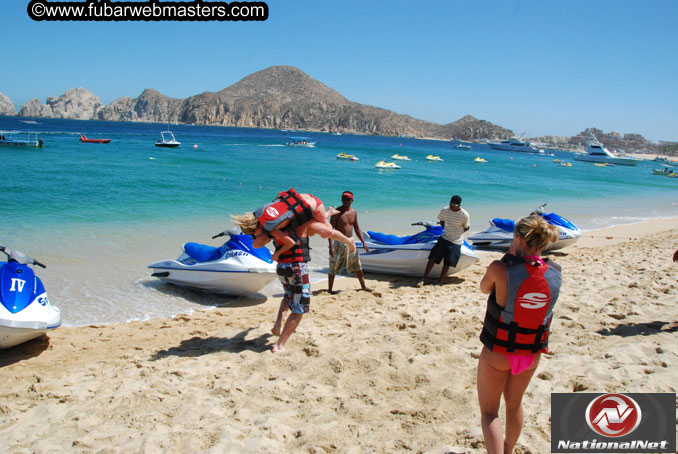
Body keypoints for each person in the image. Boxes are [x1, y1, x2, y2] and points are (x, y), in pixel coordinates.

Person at [476, 215, 561, 454]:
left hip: (499, 352)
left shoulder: (500, 269)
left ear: (517, 238)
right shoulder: (555, 273)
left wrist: (508, 257)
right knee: (514, 406)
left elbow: (484, 288)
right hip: (531, 353)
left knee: (489, 412)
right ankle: (508, 450)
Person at [231, 188, 356, 262]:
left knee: (327, 232)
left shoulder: (271, 228)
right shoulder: (260, 214)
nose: (255, 236)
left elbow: (290, 242)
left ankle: (348, 239)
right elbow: (258, 243)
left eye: (254, 234)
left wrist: (277, 254)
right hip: (304, 202)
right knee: (312, 232)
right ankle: (328, 213)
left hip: (316, 206)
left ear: (256, 228)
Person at [269, 220, 312, 353]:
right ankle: (279, 345)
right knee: (299, 307)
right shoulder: (301, 225)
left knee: (288, 295)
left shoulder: (275, 228)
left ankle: (277, 325)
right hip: (297, 268)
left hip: (282, 267)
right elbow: (321, 228)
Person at [417, 194, 470, 286]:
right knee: (432, 258)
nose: (451, 206)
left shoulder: (464, 214)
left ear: (459, 205)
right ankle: (423, 279)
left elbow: (467, 227)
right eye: (450, 203)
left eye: (454, 205)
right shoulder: (445, 210)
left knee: (447, 262)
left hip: (456, 241)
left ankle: (440, 282)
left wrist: (457, 232)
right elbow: (442, 220)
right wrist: (446, 229)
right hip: (444, 238)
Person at [327, 191, 371, 293]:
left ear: (352, 201)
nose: (345, 201)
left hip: (350, 242)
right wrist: (331, 246)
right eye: (344, 199)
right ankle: (329, 289)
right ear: (341, 200)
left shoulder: (354, 212)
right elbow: (330, 230)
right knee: (333, 265)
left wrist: (363, 242)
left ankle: (363, 286)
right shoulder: (336, 212)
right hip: (338, 242)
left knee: (357, 265)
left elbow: (356, 228)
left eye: (348, 199)